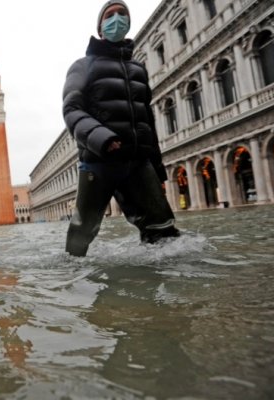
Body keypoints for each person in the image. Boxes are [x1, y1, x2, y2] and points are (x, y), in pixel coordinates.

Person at [62, 0, 179, 257]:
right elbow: (71, 109)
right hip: (98, 162)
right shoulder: (83, 66)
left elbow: (148, 121)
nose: (117, 19)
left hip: (138, 162)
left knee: (164, 232)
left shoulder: (138, 70)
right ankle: (72, 282)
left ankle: (163, 285)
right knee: (81, 235)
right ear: (100, 26)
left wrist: (158, 172)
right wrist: (102, 139)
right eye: (110, 15)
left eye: (122, 14)